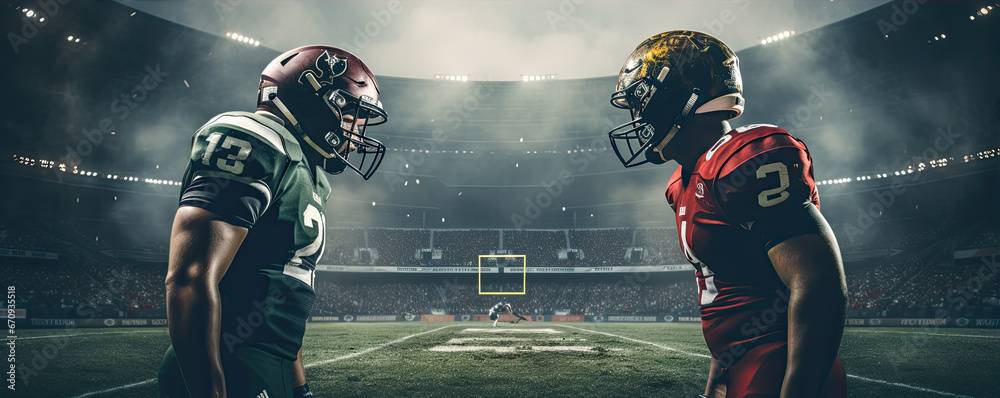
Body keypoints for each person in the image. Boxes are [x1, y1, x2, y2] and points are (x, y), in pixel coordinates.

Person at [607, 31, 848, 398]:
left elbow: (819, 284)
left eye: (642, 103)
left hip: (778, 367)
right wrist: (717, 384)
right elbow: (726, 292)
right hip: (742, 368)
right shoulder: (684, 182)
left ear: (679, 98)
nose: (638, 117)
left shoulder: (745, 159)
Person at [158, 45, 388, 397]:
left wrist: (300, 389)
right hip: (228, 366)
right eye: (352, 115)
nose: (357, 133)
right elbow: (189, 277)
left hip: (270, 369)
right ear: (316, 100)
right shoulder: (254, 138)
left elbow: (283, 295)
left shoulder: (310, 173)